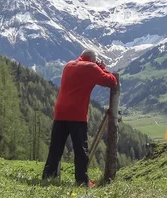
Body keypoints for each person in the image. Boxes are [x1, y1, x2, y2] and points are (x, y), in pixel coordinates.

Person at [41, 49, 118, 187]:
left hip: (60, 111)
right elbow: (112, 81)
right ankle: (82, 181)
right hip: (76, 114)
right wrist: (102, 68)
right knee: (80, 150)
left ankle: (48, 176)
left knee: (56, 148)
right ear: (93, 59)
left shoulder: (69, 65)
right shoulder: (92, 67)